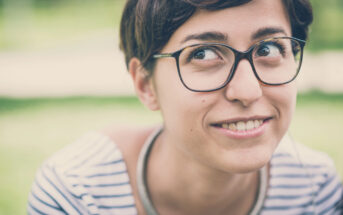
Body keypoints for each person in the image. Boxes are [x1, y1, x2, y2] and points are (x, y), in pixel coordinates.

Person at [27, 0, 343, 214]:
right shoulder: (77, 193)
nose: (247, 90)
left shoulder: (314, 192)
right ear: (145, 85)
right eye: (203, 54)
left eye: (269, 48)